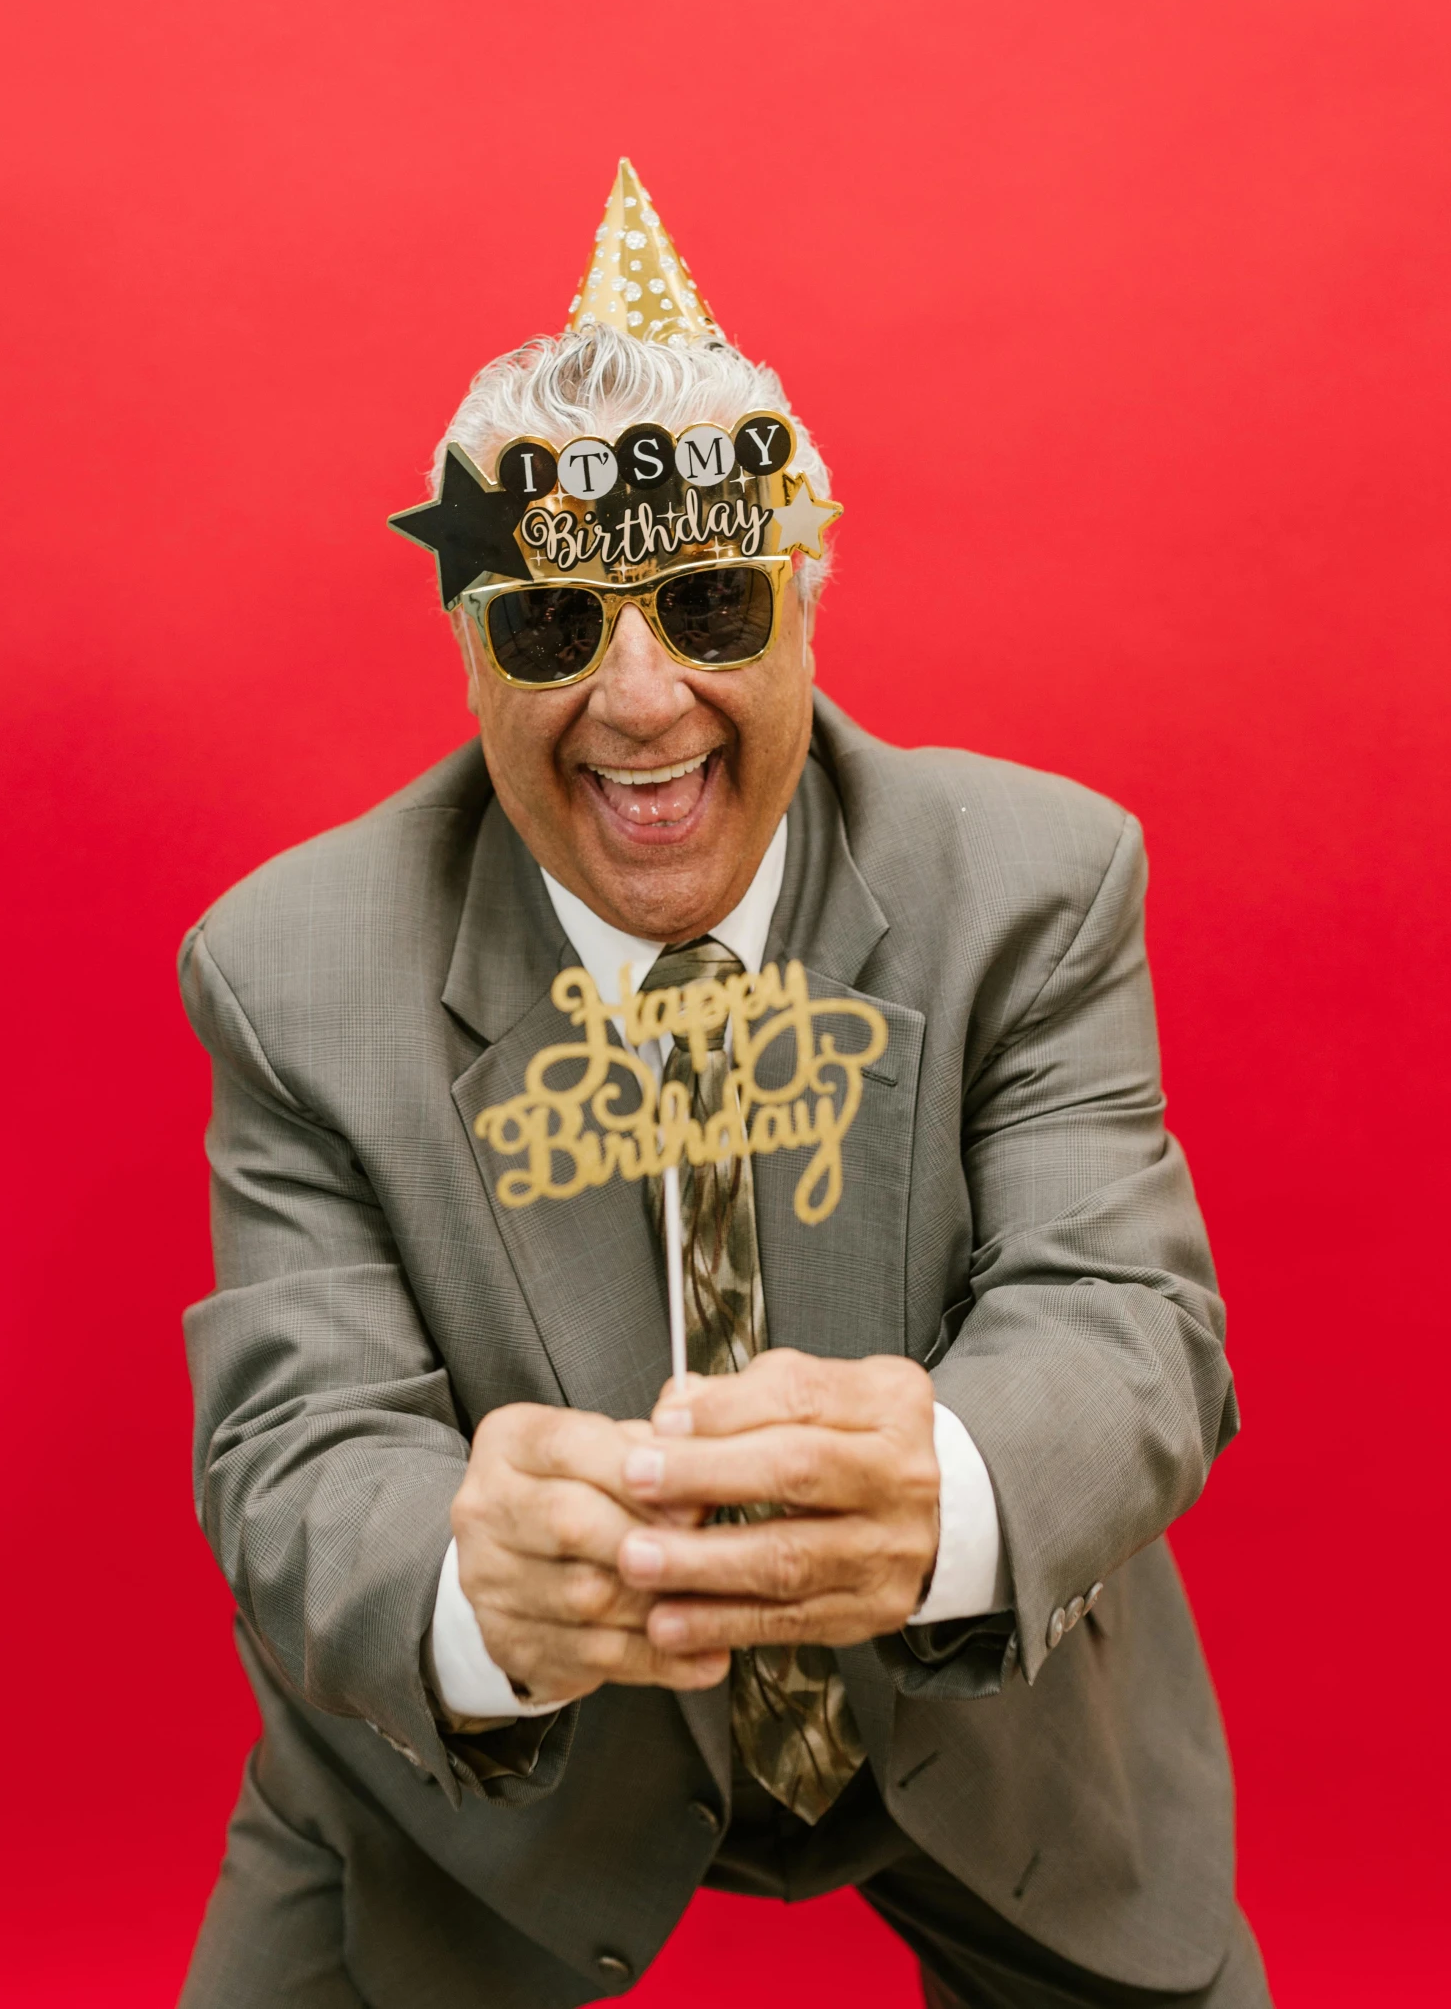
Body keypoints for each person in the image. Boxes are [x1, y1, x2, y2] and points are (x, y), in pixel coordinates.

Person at [176, 161, 1268, 2008]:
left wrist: (951, 1481)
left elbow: (1130, 1317)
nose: (639, 698)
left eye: (706, 604)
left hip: (994, 1739)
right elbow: (298, 1442)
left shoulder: (1031, 884)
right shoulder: (294, 972)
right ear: (463, 647)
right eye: (547, 629)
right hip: (481, 1793)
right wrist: (468, 1588)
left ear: (801, 601)